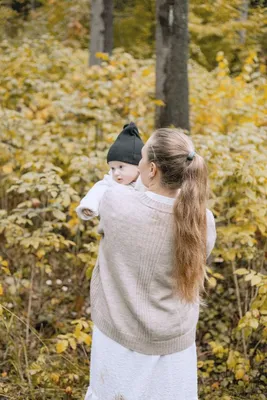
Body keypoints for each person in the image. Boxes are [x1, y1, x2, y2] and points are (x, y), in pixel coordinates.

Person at [85, 128, 217, 400]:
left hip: (117, 340)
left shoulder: (115, 201)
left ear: (152, 169)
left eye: (142, 158)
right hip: (174, 345)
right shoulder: (204, 220)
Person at [76, 122, 145, 220]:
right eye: (113, 168)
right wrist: (89, 205)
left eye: (121, 167)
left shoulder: (147, 183)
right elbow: (97, 191)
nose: (116, 173)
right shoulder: (110, 182)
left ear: (138, 165)